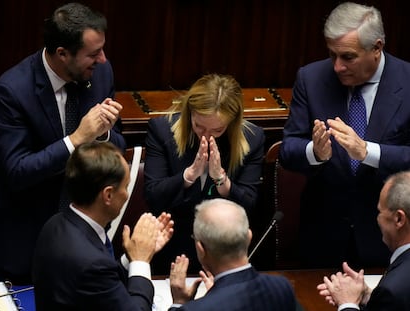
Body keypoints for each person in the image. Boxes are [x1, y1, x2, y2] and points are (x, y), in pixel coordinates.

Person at [0, 2, 126, 283]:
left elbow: (118, 144)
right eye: (93, 53)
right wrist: (76, 139)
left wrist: (102, 134)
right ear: (62, 54)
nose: (102, 59)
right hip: (31, 246)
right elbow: (17, 172)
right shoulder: (13, 91)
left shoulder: (101, 74)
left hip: (90, 244)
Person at [279, 2, 410, 269]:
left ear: (377, 48)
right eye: (332, 55)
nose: (338, 67)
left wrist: (367, 152)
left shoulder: (407, 82)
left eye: (348, 57)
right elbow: (288, 150)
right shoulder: (311, 78)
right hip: (322, 238)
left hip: (387, 239)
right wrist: (315, 153)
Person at [144, 74, 265, 274]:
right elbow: (153, 196)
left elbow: (249, 206)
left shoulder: (252, 138)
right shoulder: (162, 131)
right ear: (190, 112)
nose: (206, 136)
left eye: (217, 130)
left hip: (225, 252)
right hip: (172, 246)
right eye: (199, 126)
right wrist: (188, 176)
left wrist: (222, 180)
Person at [32, 141, 174, 310]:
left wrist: (131, 256)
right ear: (108, 195)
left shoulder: (55, 224)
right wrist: (140, 261)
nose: (127, 195)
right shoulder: (91, 263)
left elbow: (103, 286)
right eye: (126, 187)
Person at [167, 198, 296, 310]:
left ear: (201, 249)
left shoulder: (195, 309)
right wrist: (216, 292)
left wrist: (180, 303)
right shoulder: (282, 286)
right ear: (249, 237)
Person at [317, 171, 410, 310]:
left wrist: (347, 303)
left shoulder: (392, 290)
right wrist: (370, 297)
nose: (377, 219)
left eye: (380, 212)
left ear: (399, 219)